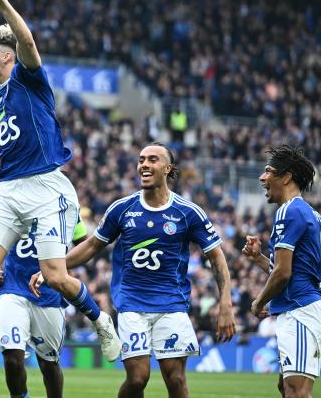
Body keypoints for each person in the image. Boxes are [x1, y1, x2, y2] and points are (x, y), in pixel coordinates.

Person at [0, 0, 120, 389]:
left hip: (47, 187)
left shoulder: (30, 79)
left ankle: (101, 321)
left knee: (56, 276)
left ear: (5, 55)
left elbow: (26, 38)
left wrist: (1, 3)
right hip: (10, 187)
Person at [32, 143, 236, 398]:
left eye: (153, 159)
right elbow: (91, 246)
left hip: (172, 305)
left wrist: (225, 303)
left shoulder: (187, 213)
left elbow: (217, 259)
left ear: (168, 169)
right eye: (141, 160)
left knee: (176, 380)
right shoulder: (122, 208)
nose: (144, 165)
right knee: (138, 379)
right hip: (131, 304)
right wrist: (52, 269)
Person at [242, 145, 321, 398]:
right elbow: (292, 270)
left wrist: (259, 301)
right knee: (285, 388)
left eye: (268, 171)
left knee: (297, 392)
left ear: (286, 177)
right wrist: (260, 258)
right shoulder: (312, 214)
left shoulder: (289, 210)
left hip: (301, 311)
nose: (262, 177)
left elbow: (283, 274)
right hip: (305, 307)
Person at [0, 215, 88, 398]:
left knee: (49, 364)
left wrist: (61, 266)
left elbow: (84, 244)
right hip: (13, 288)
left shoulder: (67, 208)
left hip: (50, 294)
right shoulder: (14, 201)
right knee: (12, 359)